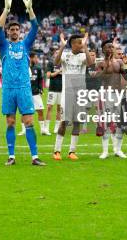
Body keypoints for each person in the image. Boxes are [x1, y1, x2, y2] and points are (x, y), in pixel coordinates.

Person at [0, 0, 46, 166]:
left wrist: (30, 9)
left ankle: (35, 157)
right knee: (10, 122)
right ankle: (11, 156)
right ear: (8, 32)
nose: (15, 31)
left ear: (20, 31)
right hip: (9, 89)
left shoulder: (25, 44)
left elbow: (35, 27)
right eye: (12, 29)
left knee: (29, 122)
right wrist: (6, 10)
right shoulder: (3, 46)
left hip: (24, 88)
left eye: (17, 29)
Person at [53, 33, 94, 161]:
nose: (80, 44)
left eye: (81, 42)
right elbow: (56, 61)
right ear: (72, 44)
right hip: (67, 93)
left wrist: (86, 47)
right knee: (64, 121)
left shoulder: (82, 56)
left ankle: (72, 151)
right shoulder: (66, 55)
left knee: (77, 122)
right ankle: (57, 151)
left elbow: (91, 63)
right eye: (78, 42)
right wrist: (62, 46)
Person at [28, 52, 50, 135]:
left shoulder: (38, 68)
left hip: (36, 93)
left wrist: (41, 89)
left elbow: (40, 79)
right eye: (35, 57)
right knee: (25, 112)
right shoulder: (24, 67)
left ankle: (43, 130)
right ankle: (24, 130)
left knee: (40, 111)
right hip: (26, 94)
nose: (37, 59)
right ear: (31, 58)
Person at [45, 49, 63, 134]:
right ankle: (46, 128)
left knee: (59, 109)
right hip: (52, 89)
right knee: (49, 107)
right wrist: (59, 72)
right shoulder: (51, 63)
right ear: (54, 54)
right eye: (57, 53)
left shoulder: (64, 63)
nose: (58, 54)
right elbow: (48, 75)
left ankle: (56, 128)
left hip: (62, 89)